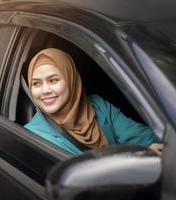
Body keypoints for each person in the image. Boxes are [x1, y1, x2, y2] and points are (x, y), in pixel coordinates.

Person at [24, 48, 163, 155]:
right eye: (36, 84)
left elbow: (141, 137)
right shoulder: (32, 135)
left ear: (71, 80)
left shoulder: (98, 104)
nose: (45, 90)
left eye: (53, 80)